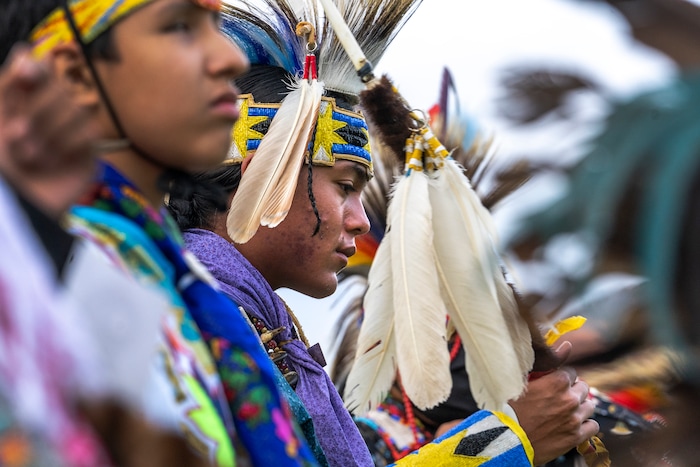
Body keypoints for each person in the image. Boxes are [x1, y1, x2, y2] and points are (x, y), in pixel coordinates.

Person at [168, 2, 599, 465]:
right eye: (345, 188)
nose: (359, 219)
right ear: (265, 177)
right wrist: (508, 442)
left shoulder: (242, 318)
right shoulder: (194, 323)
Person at [2, 0, 319, 465]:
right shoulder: (54, 273)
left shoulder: (167, 271)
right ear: (76, 74)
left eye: (213, 24)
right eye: (179, 27)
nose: (228, 57)